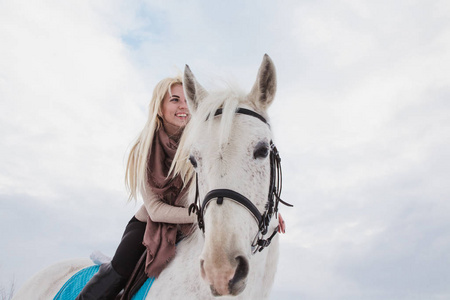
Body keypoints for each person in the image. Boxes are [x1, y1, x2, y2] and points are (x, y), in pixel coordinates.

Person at [76, 75, 195, 300]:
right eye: (175, 100)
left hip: (192, 225)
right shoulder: (144, 149)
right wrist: (201, 215)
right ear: (159, 108)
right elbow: (156, 210)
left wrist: (265, 210)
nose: (183, 106)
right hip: (149, 225)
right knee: (120, 269)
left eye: (188, 100)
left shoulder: (203, 143)